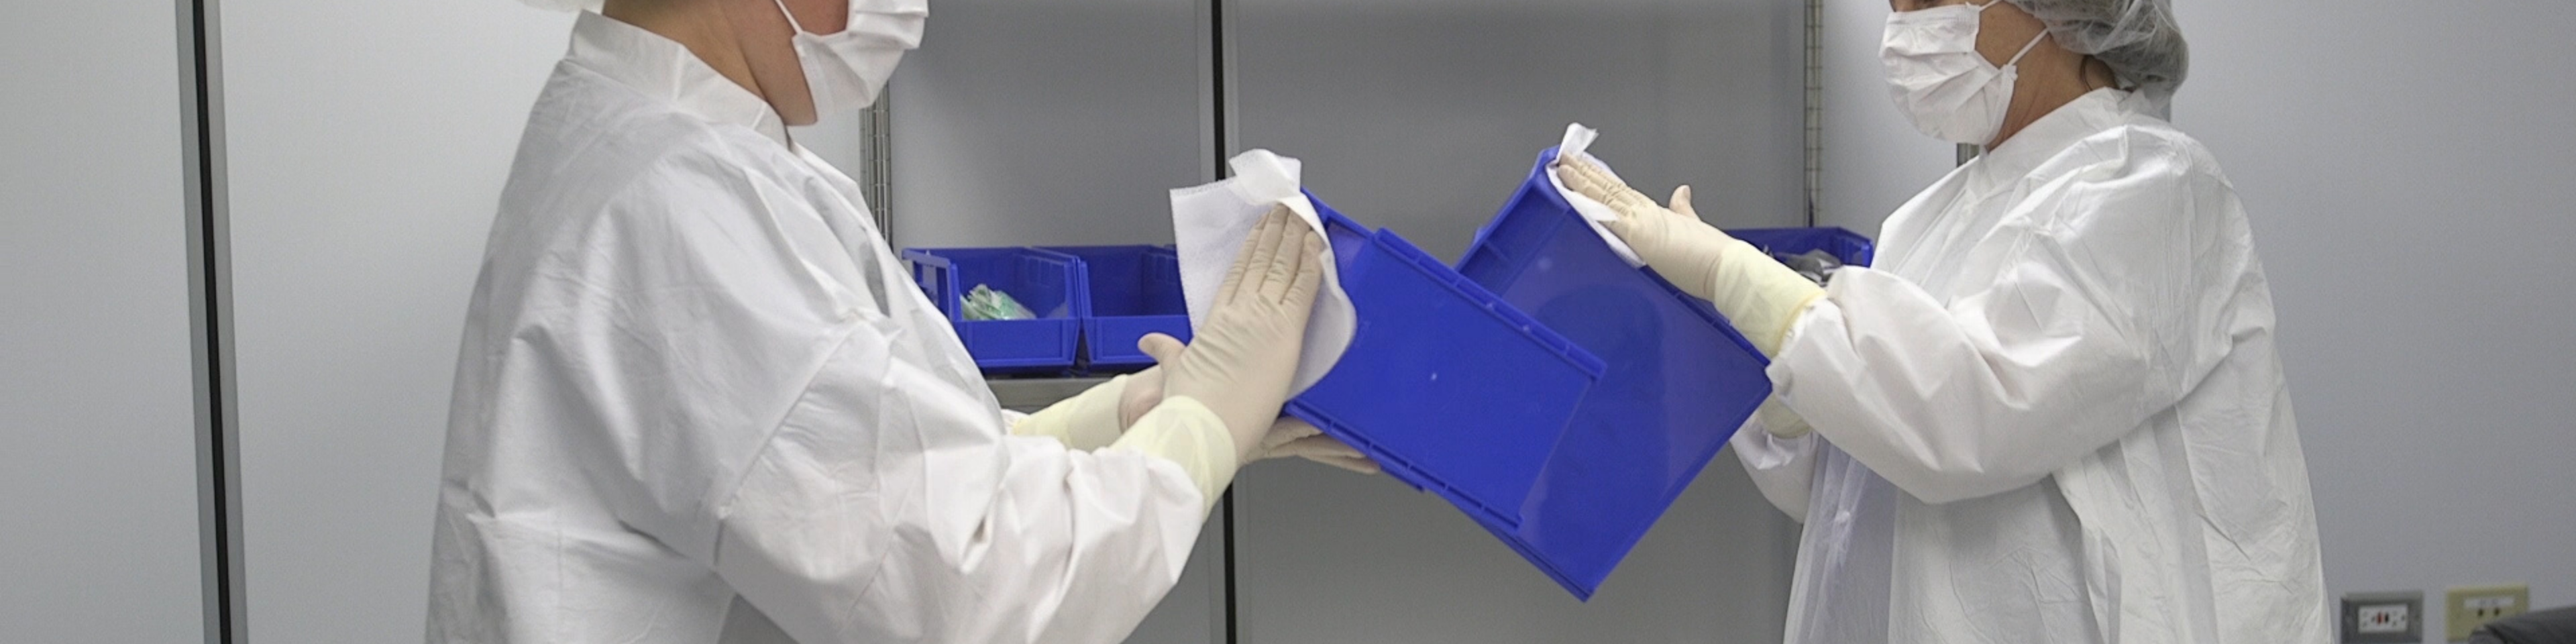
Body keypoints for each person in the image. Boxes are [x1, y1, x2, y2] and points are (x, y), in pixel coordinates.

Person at [425, 0, 1364, 641]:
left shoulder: (671, 142)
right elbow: (979, 587)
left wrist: (1131, 419)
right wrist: (1199, 429)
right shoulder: (680, 203)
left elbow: (855, 466)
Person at [1556, 0, 2328, 642]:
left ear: (2055, 15)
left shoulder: (2154, 186)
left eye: (1929, 2)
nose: (1904, 31)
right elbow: (1861, 480)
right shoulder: (1928, 222)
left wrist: (1734, 276)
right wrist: (1783, 397)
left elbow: (1970, 419)